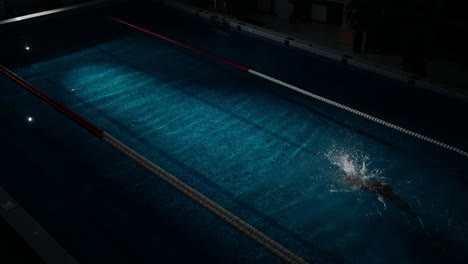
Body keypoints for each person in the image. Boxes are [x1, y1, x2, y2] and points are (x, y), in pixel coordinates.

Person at [346, 177, 418, 217]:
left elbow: (368, 187)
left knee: (398, 201)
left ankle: (411, 212)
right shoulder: (370, 183)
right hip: (387, 192)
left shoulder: (370, 186)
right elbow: (386, 185)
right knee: (398, 200)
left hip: (384, 192)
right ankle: (411, 211)